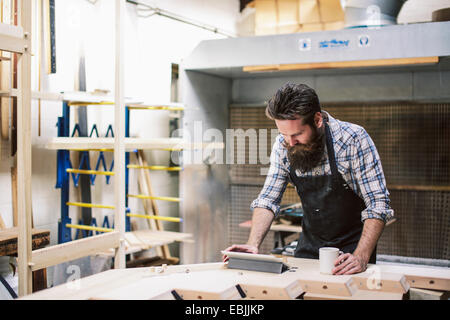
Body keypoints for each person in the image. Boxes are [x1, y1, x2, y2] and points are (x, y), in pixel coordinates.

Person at [223, 83, 394, 275]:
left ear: (318, 120)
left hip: (352, 253)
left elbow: (378, 203)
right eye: (284, 134)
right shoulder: (283, 145)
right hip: (309, 248)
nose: (291, 142)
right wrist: (252, 245)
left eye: (297, 134)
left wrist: (361, 257)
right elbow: (268, 199)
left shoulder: (353, 140)